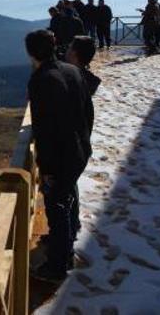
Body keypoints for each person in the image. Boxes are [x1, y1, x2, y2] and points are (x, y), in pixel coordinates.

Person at [26, 30, 92, 282]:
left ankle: (58, 265)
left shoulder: (40, 80)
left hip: (60, 155)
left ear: (31, 53)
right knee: (67, 194)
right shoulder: (72, 71)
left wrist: (47, 166)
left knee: (57, 206)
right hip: (79, 149)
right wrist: (83, 143)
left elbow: (44, 129)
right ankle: (68, 233)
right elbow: (88, 111)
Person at [64, 36, 101, 249]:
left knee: (64, 191)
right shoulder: (84, 79)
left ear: (75, 54)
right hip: (81, 143)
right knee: (70, 187)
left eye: (69, 48)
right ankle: (72, 225)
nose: (66, 51)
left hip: (72, 145)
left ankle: (64, 243)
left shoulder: (75, 81)